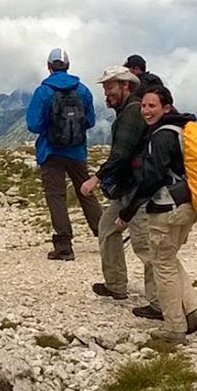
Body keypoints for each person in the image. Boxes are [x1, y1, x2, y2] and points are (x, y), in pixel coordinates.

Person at [116, 85, 197, 341]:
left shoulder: (160, 137)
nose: (146, 111)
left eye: (152, 106)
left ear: (166, 108)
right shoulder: (181, 130)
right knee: (169, 257)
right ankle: (193, 309)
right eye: (144, 106)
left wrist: (129, 210)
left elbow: (153, 178)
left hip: (165, 208)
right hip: (186, 205)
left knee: (163, 264)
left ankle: (174, 326)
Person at [24, 47, 101, 260]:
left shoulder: (43, 91)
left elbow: (34, 124)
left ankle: (64, 246)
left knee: (56, 196)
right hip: (76, 150)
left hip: (50, 151)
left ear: (49, 67)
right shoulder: (83, 90)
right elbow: (91, 121)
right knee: (85, 191)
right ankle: (105, 235)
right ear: (68, 66)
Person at [80, 66, 149, 301]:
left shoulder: (131, 114)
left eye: (110, 87)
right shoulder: (129, 111)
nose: (106, 93)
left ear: (126, 86)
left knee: (146, 247)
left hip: (142, 190)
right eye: (105, 88)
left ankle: (163, 304)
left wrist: (96, 179)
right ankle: (116, 284)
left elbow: (121, 154)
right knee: (107, 227)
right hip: (129, 188)